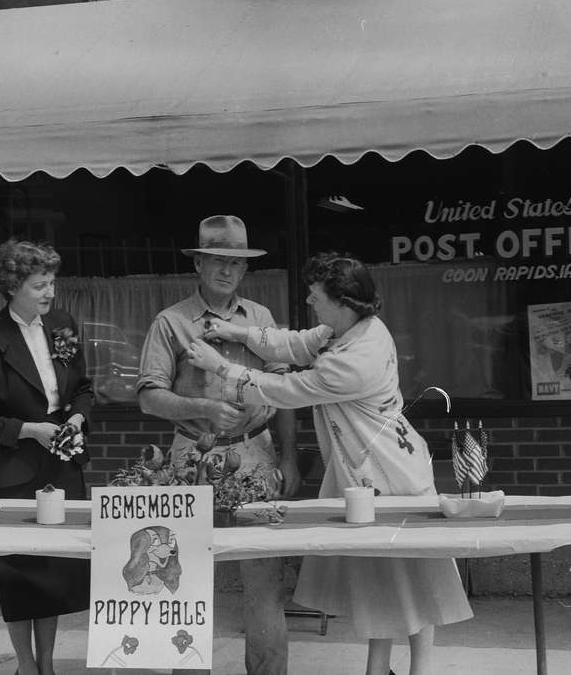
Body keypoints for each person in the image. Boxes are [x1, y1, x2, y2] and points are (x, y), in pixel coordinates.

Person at [186, 251, 473, 675]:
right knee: (384, 579)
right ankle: (380, 668)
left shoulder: (357, 358)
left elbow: (289, 390)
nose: (308, 300)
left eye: (316, 296)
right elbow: (293, 342)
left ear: (342, 302)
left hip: (391, 475)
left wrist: (222, 368)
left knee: (415, 578)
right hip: (367, 471)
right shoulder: (348, 328)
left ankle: (420, 670)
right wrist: (235, 330)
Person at [137, 214, 300, 675]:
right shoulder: (171, 323)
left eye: (236, 262)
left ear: (245, 269)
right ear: (199, 264)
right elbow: (149, 398)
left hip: (257, 453)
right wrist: (202, 408)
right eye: (217, 260)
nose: (227, 270)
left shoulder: (261, 321)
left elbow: (284, 393)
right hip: (193, 457)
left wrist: (289, 455)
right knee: (183, 578)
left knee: (265, 581)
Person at [0, 239, 92, 675]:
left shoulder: (63, 325)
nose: (49, 292)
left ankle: (47, 665)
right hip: (12, 470)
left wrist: (75, 419)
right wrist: (29, 430)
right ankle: (25, 666)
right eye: (40, 285)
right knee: (19, 575)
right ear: (13, 286)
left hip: (61, 465)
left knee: (52, 575)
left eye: (52, 282)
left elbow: (84, 389)